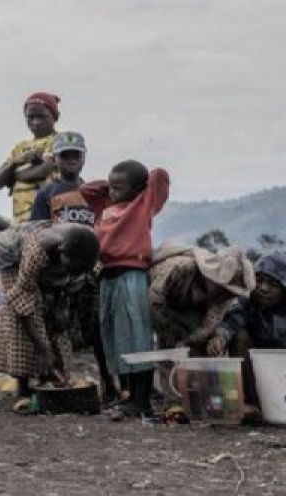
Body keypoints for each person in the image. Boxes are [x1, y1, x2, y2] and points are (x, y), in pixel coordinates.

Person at [80, 160, 170, 421]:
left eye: (120, 187)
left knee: (136, 336)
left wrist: (140, 188)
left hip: (132, 276)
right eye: (112, 186)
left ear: (138, 189)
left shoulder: (142, 205)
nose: (114, 191)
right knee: (114, 337)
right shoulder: (105, 206)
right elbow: (86, 192)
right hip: (107, 277)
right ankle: (129, 396)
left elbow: (159, 175)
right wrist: (111, 186)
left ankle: (142, 401)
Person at [30, 131, 115, 401]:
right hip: (60, 271)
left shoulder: (95, 193)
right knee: (58, 324)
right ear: (55, 159)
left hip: (91, 269)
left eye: (75, 155)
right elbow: (39, 231)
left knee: (97, 328)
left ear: (83, 158)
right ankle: (56, 380)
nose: (70, 160)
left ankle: (108, 382)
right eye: (64, 155)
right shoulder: (47, 193)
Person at [0, 222, 100, 412]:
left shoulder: (85, 250)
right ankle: (23, 389)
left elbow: (70, 289)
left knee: (58, 321)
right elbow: (22, 302)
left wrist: (61, 307)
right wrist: (43, 350)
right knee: (27, 316)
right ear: (61, 252)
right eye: (70, 267)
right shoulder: (37, 251)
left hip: (52, 258)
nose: (71, 273)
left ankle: (50, 378)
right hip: (12, 256)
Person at [208, 251, 286, 412]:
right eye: (259, 280)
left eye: (273, 284)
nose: (263, 288)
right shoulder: (248, 301)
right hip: (258, 370)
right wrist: (220, 337)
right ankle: (249, 403)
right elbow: (232, 322)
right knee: (239, 335)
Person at [148, 245, 254, 354]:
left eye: (231, 294)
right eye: (224, 290)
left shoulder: (224, 297)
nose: (226, 296)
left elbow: (209, 324)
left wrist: (186, 343)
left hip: (186, 320)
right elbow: (156, 301)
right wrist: (170, 340)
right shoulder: (181, 271)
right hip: (157, 305)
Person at [0, 92, 61, 223]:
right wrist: (16, 162)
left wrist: (12, 175)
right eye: (31, 117)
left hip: (45, 220)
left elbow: (42, 171)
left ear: (55, 117)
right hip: (19, 220)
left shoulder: (58, 141)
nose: (36, 122)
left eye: (42, 117)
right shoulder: (20, 147)